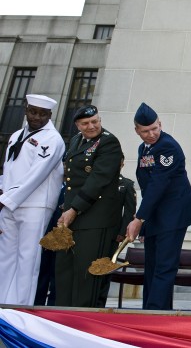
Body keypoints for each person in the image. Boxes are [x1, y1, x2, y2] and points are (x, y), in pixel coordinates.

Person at [126, 102, 191, 310]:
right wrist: (145, 223)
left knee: (164, 267)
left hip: (173, 216)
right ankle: (151, 308)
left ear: (160, 124)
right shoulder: (144, 148)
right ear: (137, 130)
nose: (151, 134)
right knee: (152, 266)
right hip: (155, 216)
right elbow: (146, 187)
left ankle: (155, 314)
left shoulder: (168, 146)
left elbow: (158, 184)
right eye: (145, 131)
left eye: (155, 128)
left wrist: (138, 219)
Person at [56, 105, 124, 307]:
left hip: (95, 218)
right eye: (85, 123)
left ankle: (82, 320)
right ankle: (63, 315)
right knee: (65, 271)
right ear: (78, 125)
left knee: (86, 275)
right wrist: (67, 208)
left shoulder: (109, 142)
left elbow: (97, 180)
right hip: (71, 217)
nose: (92, 126)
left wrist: (74, 209)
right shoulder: (77, 140)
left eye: (95, 121)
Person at [0, 94, 65, 305]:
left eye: (42, 113)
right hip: (9, 203)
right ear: (26, 110)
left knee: (27, 258)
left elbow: (36, 175)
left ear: (50, 115)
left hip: (35, 205)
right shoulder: (16, 135)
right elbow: (9, 169)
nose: (36, 117)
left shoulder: (53, 139)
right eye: (33, 111)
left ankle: (19, 306)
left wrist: (6, 199)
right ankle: (3, 302)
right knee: (5, 256)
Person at [97, 155, 136, 308]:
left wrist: (122, 233)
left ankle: (100, 302)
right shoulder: (97, 182)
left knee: (106, 269)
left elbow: (129, 211)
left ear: (122, 164)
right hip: (93, 233)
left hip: (113, 235)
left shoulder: (126, 184)